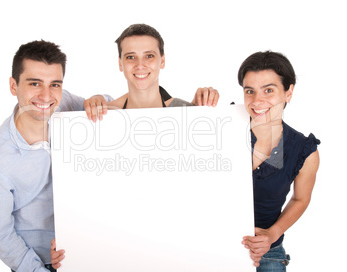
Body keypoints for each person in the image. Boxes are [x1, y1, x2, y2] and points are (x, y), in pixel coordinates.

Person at [50, 23, 220, 269]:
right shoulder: (99, 120)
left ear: (162, 61)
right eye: (131, 57)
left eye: (149, 56)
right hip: (120, 252)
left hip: (179, 251)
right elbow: (86, 195)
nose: (140, 66)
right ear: (120, 63)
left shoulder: (191, 114)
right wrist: (71, 243)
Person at [0, 40, 111, 272]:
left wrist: (99, 98)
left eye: (55, 84)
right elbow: (2, 237)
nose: (46, 96)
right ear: (13, 85)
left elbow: (110, 111)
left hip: (91, 245)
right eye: (35, 83)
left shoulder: (62, 103)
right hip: (40, 262)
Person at [239, 51, 320, 271]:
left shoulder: (303, 150)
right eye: (250, 91)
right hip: (208, 244)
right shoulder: (224, 126)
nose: (257, 101)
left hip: (268, 250)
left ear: (288, 92)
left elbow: (300, 199)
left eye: (268, 90)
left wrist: (272, 234)